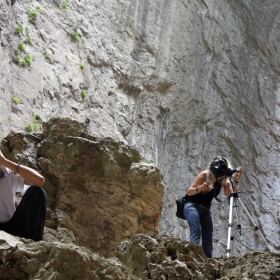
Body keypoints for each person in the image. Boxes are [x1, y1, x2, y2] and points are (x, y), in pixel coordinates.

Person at [184, 156, 243, 258]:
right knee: (196, 230)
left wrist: (236, 181)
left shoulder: (224, 181)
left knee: (208, 238)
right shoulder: (204, 175)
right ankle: (192, 258)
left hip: (206, 210)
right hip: (192, 206)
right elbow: (189, 192)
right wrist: (201, 188)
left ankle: (208, 262)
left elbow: (232, 198)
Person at [0, 147, 47, 241]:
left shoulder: (7, 175)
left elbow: (39, 181)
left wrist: (5, 162)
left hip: (12, 227)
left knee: (37, 192)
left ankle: (35, 244)